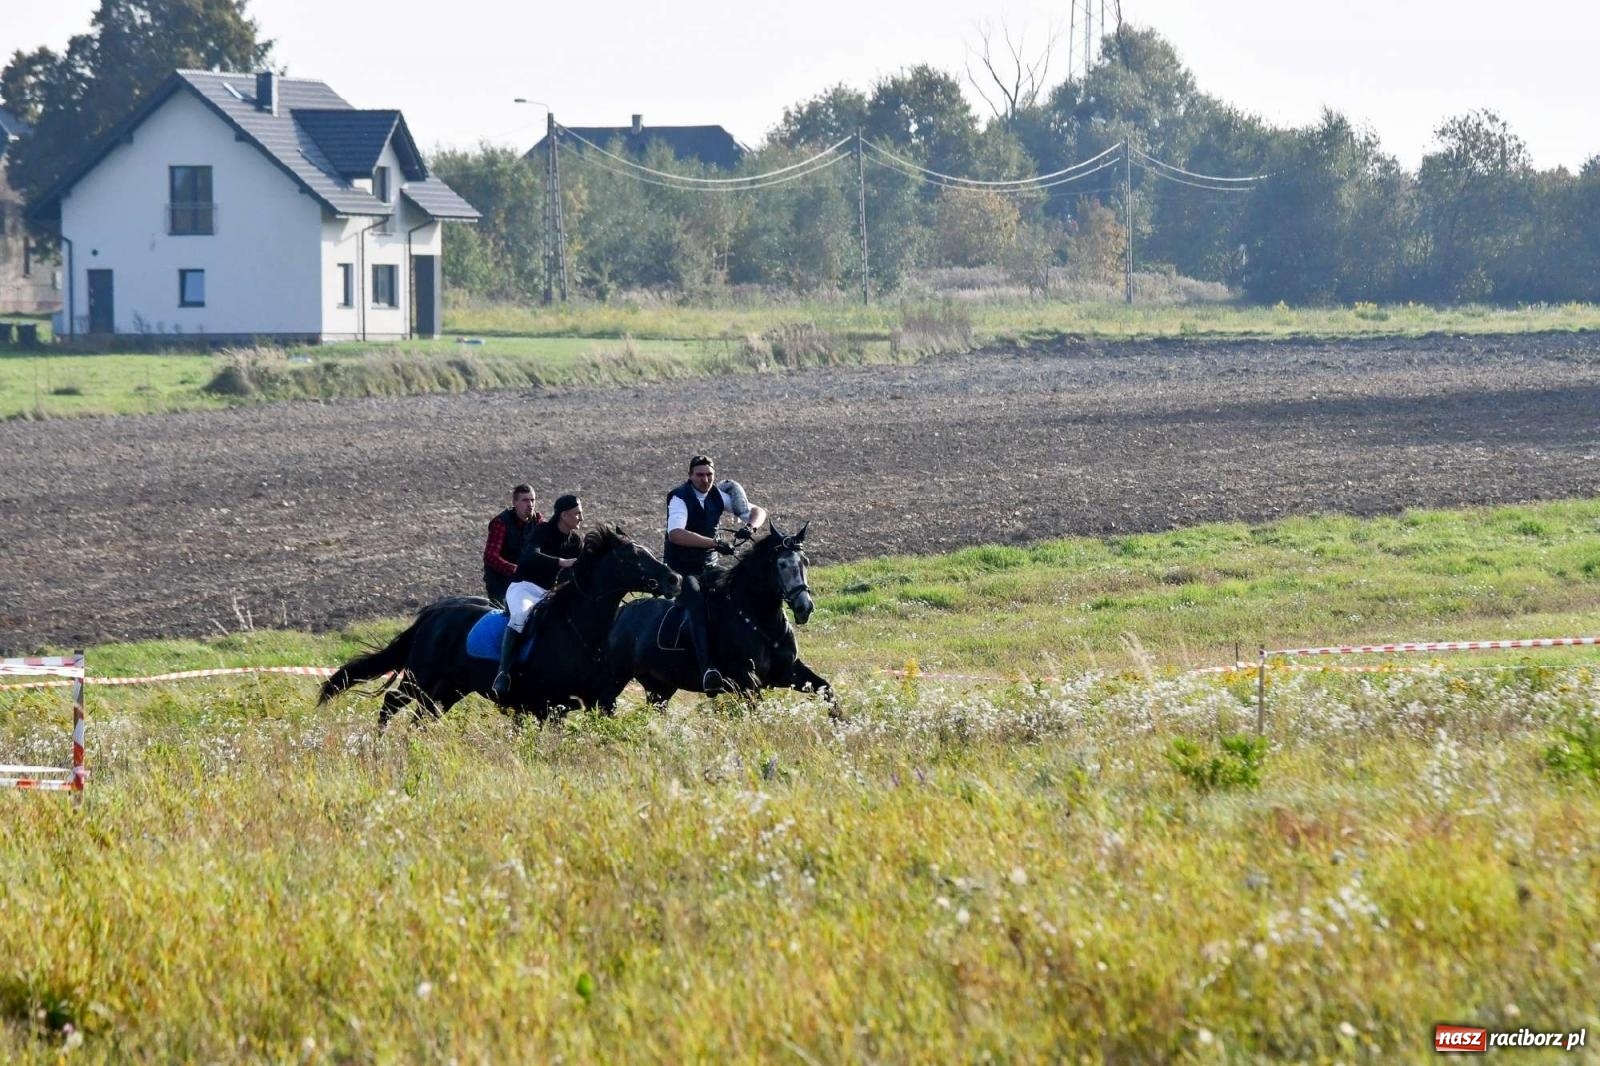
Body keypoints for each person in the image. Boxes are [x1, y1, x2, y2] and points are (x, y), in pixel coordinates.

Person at [664, 454, 767, 692]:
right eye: (700, 475)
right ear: (690, 476)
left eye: (709, 475)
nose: (705, 479)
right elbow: (676, 534)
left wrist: (749, 527)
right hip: (681, 570)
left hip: (709, 567)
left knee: (738, 591)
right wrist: (713, 542)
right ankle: (707, 668)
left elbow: (758, 511)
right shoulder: (679, 497)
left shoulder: (718, 496)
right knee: (697, 605)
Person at [492, 494, 584, 700]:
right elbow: (529, 556)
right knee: (520, 617)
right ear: (564, 515)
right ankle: (503, 672)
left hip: (550, 593)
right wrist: (562, 562)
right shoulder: (542, 531)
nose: (581, 518)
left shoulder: (576, 542)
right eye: (577, 513)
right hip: (524, 588)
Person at [482, 484, 539, 605]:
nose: (530, 504)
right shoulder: (502, 523)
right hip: (501, 582)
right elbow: (491, 556)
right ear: (514, 502)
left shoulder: (538, 522)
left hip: (527, 582)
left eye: (532, 500)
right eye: (525, 500)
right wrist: (515, 569)